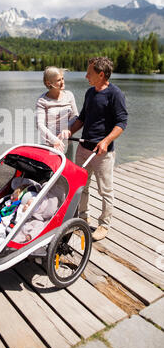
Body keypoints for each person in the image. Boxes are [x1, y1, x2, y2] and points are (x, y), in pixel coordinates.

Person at [67, 57, 128, 241]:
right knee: (81, 187)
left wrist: (106, 141)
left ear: (101, 75)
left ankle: (104, 225)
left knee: (105, 191)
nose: (86, 76)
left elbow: (121, 123)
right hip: (83, 148)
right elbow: (82, 118)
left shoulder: (115, 94)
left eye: (89, 73)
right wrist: (68, 131)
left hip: (103, 153)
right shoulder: (89, 93)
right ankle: (82, 217)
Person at [36, 66, 78, 159]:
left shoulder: (69, 95)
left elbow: (75, 116)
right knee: (51, 172)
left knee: (67, 172)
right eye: (59, 80)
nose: (63, 82)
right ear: (49, 83)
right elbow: (40, 125)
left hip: (67, 143)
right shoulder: (42, 101)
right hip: (49, 145)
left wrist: (66, 128)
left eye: (63, 78)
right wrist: (55, 140)